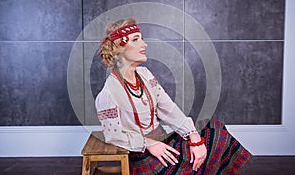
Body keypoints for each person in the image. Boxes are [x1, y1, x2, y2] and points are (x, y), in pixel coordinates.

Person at [95, 17, 253, 174]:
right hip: (144, 156)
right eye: (136, 40)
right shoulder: (108, 94)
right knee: (217, 137)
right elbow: (113, 136)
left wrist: (194, 137)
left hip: (163, 142)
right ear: (119, 48)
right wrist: (148, 143)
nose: (144, 44)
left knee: (213, 125)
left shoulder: (144, 75)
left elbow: (168, 109)